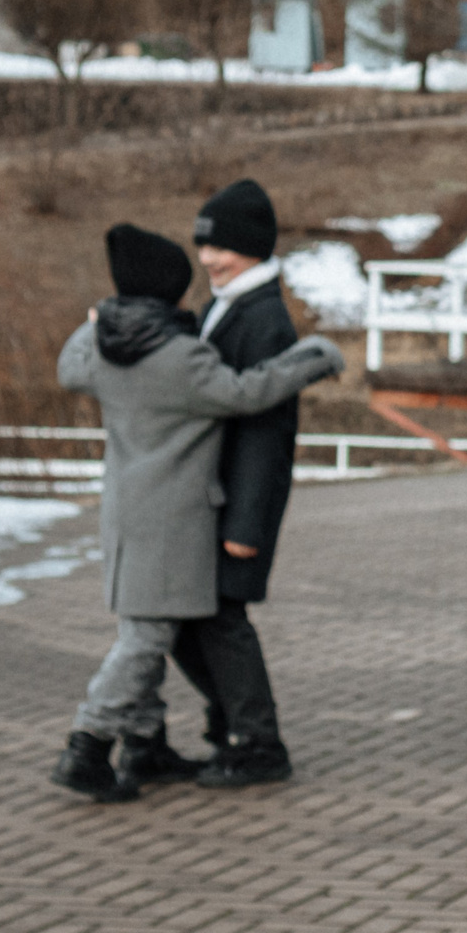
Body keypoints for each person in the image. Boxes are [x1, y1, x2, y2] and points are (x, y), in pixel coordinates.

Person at [50, 224, 346, 802]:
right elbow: (246, 391)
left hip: (126, 519)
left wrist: (95, 320)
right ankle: (87, 746)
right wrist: (314, 358)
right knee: (146, 638)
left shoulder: (107, 347)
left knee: (144, 630)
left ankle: (145, 746)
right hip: (171, 522)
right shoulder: (176, 357)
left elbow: (69, 366)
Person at [174, 178, 304, 788]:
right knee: (193, 617)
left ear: (251, 247)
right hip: (211, 499)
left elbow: (265, 432)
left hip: (237, 504)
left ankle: (258, 743)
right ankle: (231, 726)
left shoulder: (264, 320)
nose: (207, 260)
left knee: (222, 619)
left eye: (218, 249)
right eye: (202, 248)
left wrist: (246, 523)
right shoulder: (224, 306)